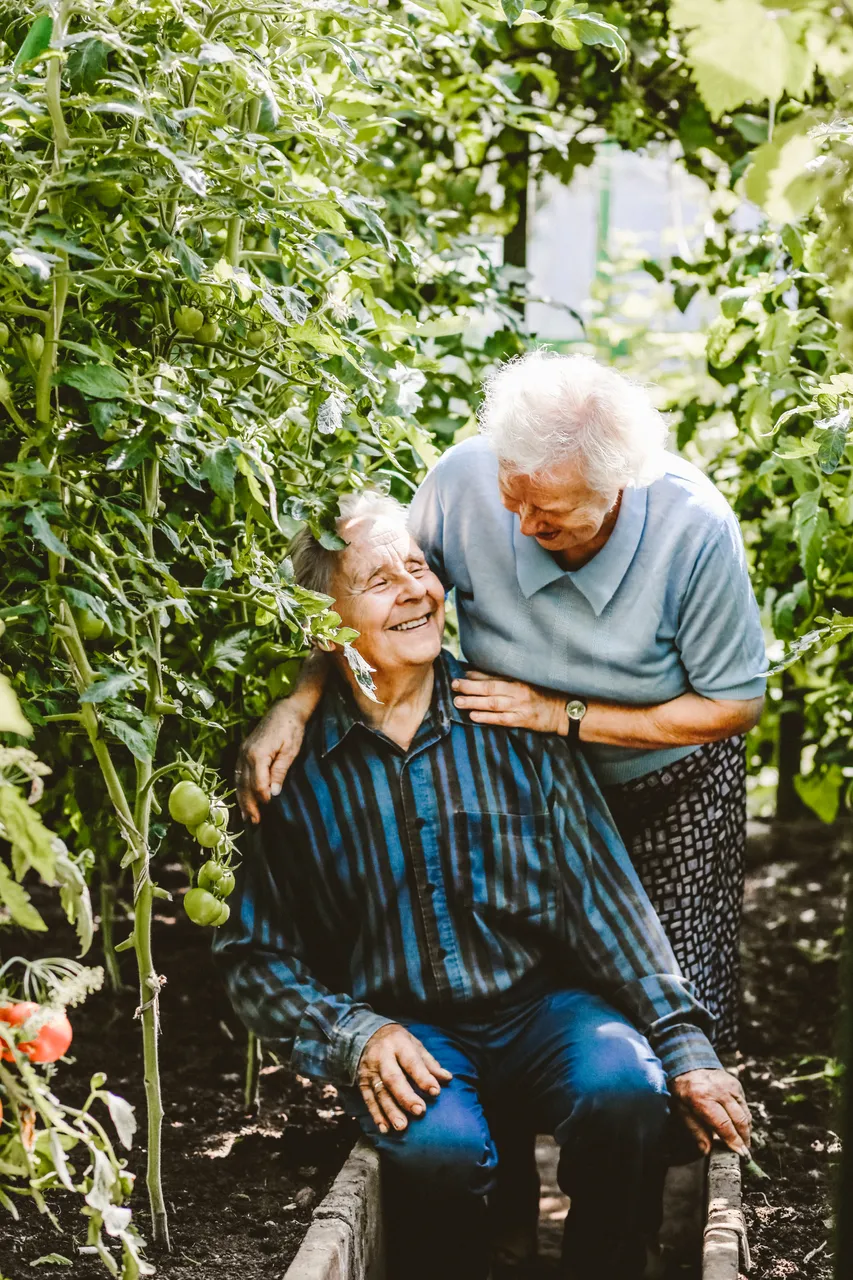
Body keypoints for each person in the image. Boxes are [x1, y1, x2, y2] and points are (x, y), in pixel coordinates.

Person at [215, 492, 752, 1280]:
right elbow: (252, 953)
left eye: (419, 567)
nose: (415, 589)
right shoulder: (290, 770)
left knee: (625, 1090)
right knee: (442, 1151)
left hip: (540, 1006)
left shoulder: (508, 721)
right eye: (378, 579)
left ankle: (606, 1263)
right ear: (321, 625)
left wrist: (682, 1044)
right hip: (409, 1024)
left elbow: (604, 899)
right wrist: (351, 1036)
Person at [235, 352, 767, 1053]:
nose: (517, 527)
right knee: (544, 983)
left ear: (615, 487)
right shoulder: (464, 481)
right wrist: (299, 702)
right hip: (522, 775)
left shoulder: (692, 526)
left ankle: (676, 1140)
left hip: (667, 780)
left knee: (676, 984)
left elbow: (732, 706)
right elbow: (378, 598)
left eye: (545, 514)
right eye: (510, 498)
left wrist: (560, 714)